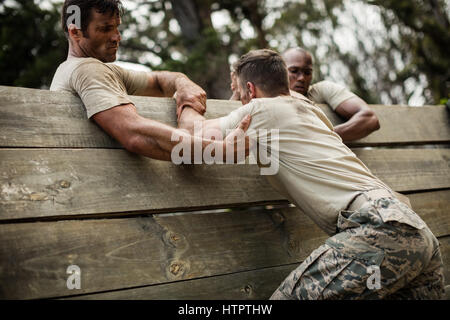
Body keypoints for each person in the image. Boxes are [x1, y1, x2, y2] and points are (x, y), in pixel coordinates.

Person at [178, 49, 445, 299]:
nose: (237, 100)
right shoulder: (311, 111)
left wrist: (184, 97)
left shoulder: (262, 109)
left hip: (379, 230)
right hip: (416, 232)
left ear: (250, 89)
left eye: (238, 92)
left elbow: (194, 132)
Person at [51, 0, 250, 161]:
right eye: (105, 29)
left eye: (117, 28)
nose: (116, 37)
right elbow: (134, 134)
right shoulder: (87, 70)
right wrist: (221, 151)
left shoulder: (93, 70)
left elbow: (157, 81)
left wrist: (183, 84)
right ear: (75, 32)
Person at [281, 47, 380, 142]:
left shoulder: (322, 90)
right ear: (280, 70)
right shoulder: (269, 100)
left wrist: (323, 138)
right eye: (294, 71)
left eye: (307, 72)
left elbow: (370, 119)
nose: (302, 78)